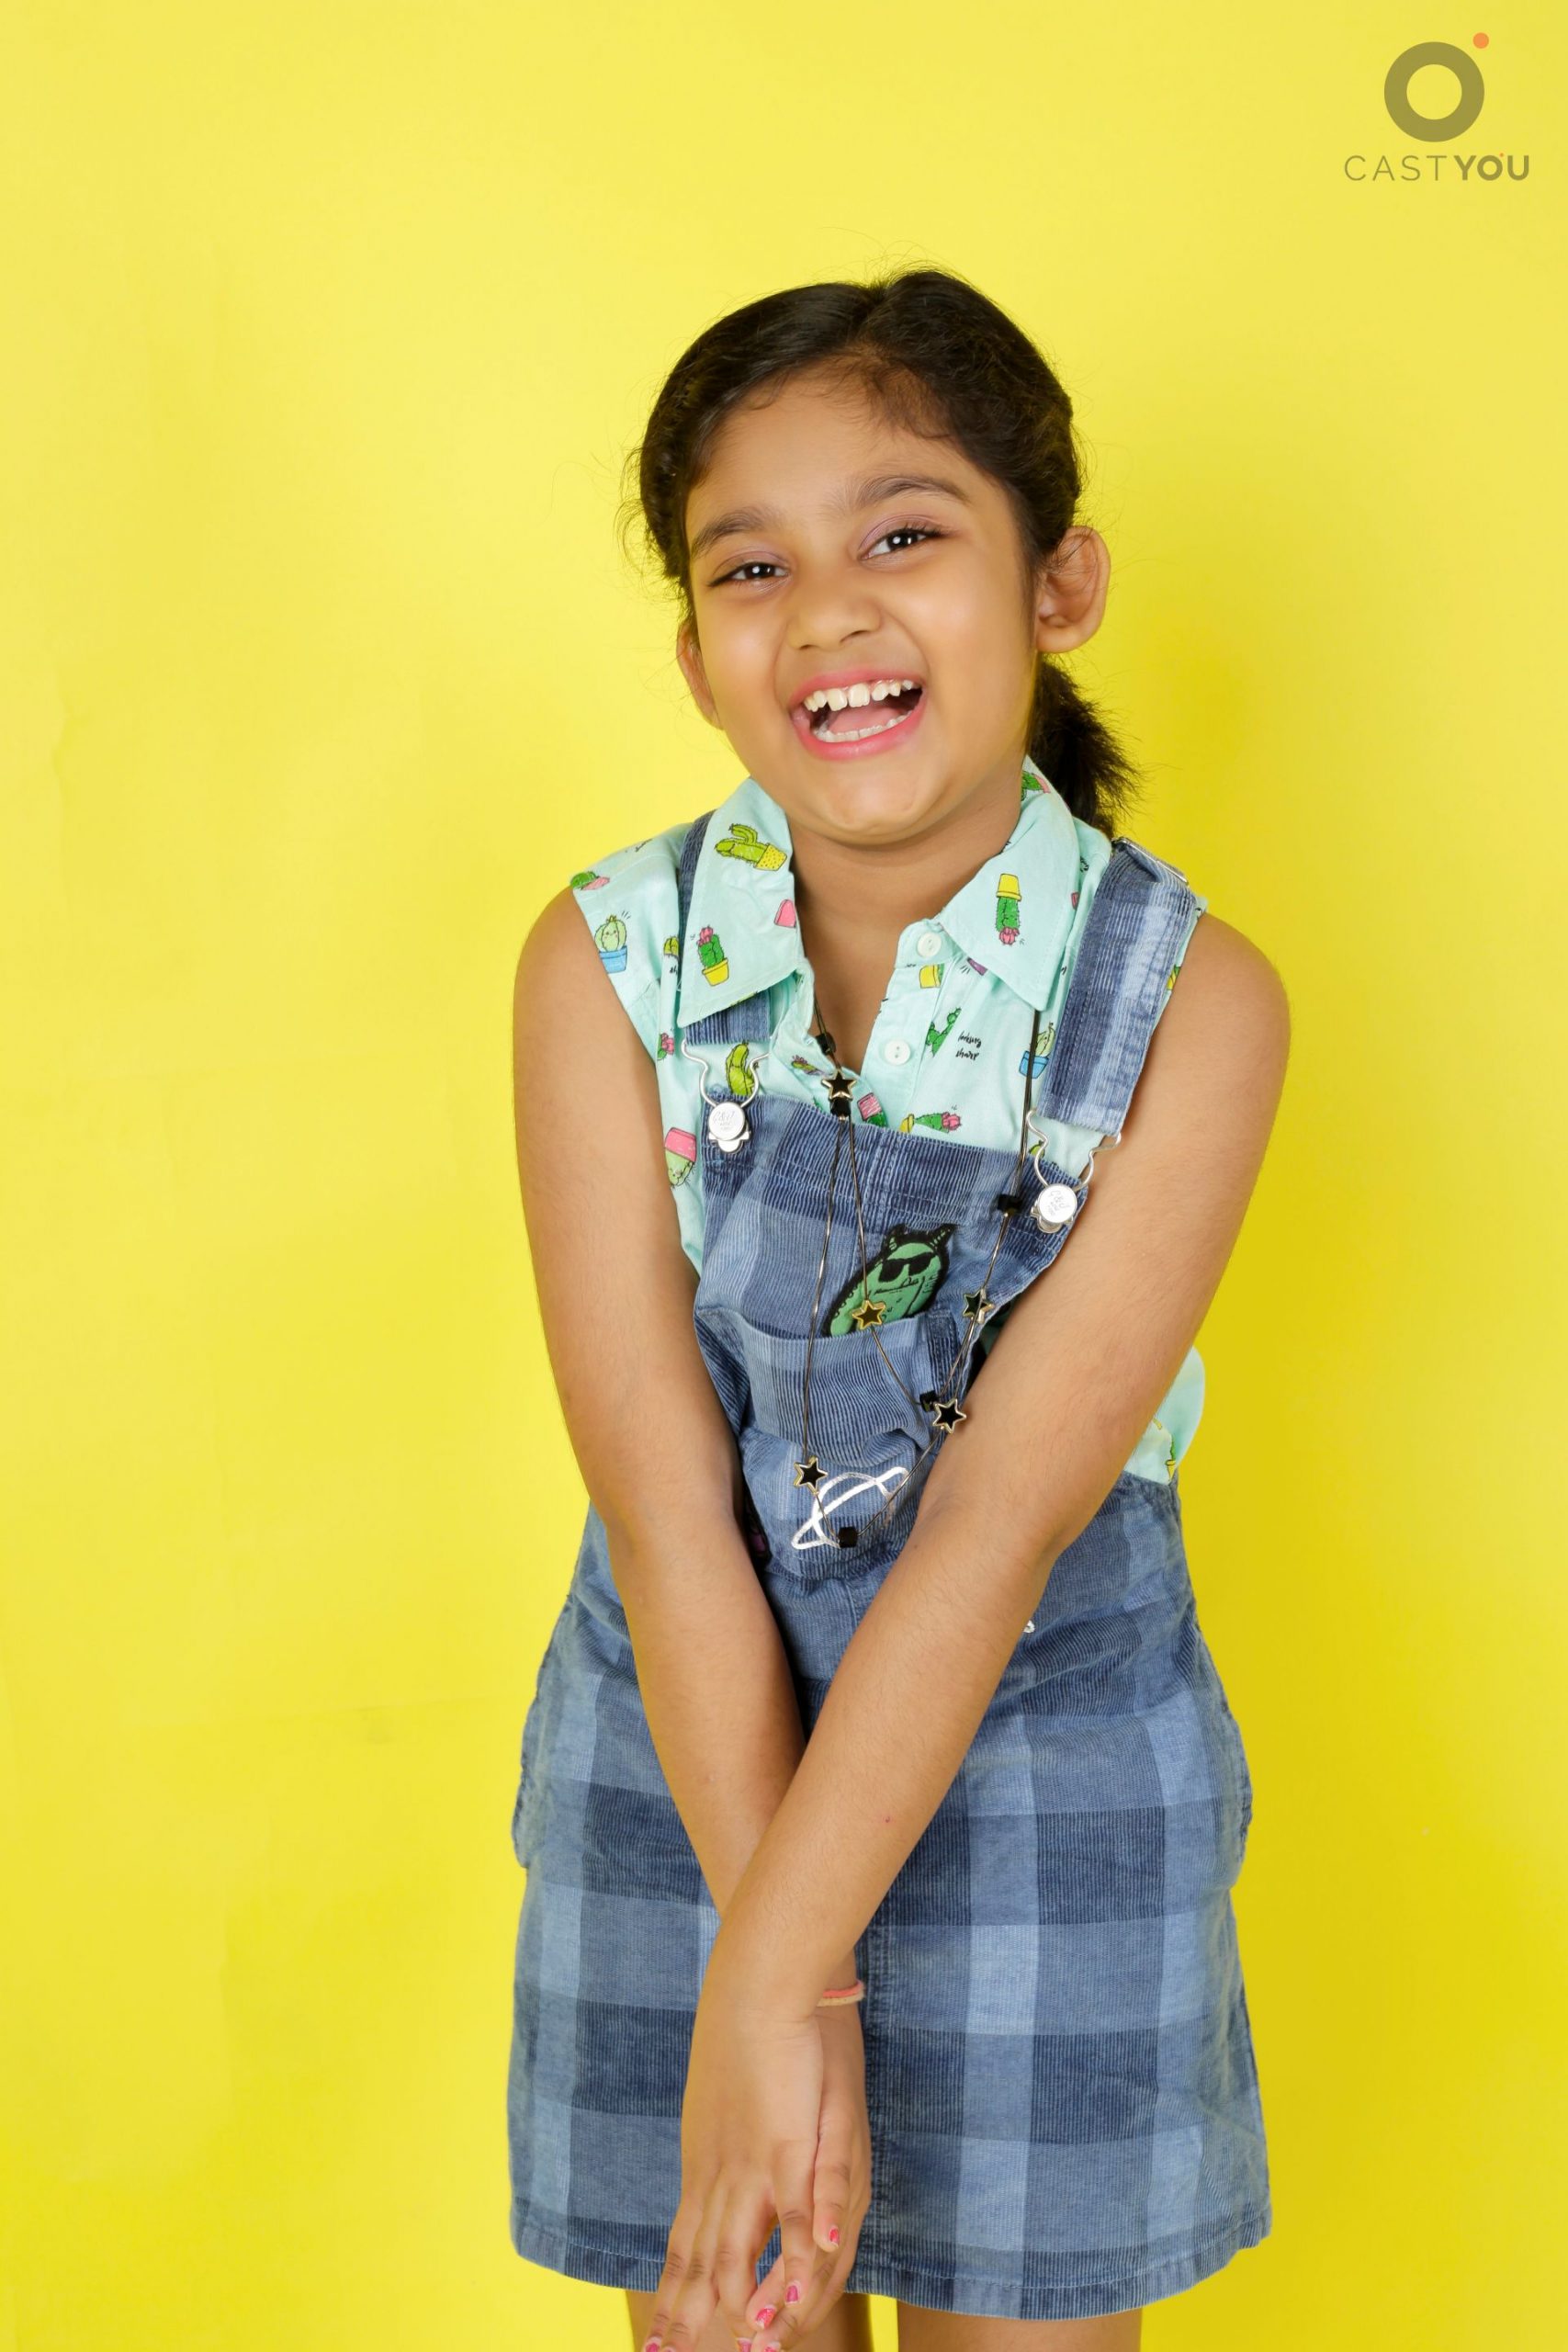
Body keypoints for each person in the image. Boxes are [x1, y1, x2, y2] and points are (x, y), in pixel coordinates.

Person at [505, 266, 1291, 2352]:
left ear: (1057, 582)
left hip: (1038, 1751)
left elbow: (991, 1528)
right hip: (697, 1753)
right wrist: (762, 1962)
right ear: (696, 654)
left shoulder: (1188, 1007)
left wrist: (783, 1988)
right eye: (750, 565)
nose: (827, 615)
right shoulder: (602, 967)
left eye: (904, 533)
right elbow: (665, 1503)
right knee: (730, 2323)